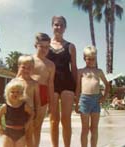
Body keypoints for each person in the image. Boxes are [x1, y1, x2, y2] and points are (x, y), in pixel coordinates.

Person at [46, 16, 77, 147]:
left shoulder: (71, 46)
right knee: (53, 120)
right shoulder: (45, 46)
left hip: (67, 84)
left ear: (65, 28)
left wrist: (77, 90)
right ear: (52, 26)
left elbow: (74, 68)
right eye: (56, 25)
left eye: (61, 25)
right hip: (52, 84)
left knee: (66, 120)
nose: (58, 27)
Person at [75, 46, 110, 147]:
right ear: (84, 58)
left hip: (96, 100)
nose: (91, 61)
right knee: (85, 128)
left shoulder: (99, 71)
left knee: (94, 128)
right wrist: (76, 103)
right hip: (84, 100)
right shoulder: (80, 71)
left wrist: (104, 97)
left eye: (93, 59)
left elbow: (107, 85)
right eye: (88, 59)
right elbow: (77, 88)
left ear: (96, 58)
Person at [31, 32, 55, 147]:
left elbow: (50, 84)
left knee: (37, 126)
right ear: (36, 45)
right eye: (41, 46)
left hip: (43, 94)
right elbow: (19, 77)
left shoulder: (50, 65)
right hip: (29, 94)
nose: (44, 49)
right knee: (26, 125)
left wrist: (51, 104)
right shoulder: (29, 60)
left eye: (47, 47)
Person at [0, 80, 33, 147]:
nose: (15, 94)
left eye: (17, 92)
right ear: (8, 93)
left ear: (21, 93)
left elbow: (32, 114)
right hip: (8, 133)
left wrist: (28, 123)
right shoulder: (5, 106)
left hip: (21, 133)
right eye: (12, 92)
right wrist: (0, 127)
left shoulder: (24, 106)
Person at [14, 55, 40, 147]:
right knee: (17, 137)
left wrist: (37, 116)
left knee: (29, 137)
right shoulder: (15, 82)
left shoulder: (34, 83)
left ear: (33, 69)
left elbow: (37, 101)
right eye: (23, 67)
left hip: (30, 114)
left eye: (29, 68)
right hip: (16, 114)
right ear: (19, 67)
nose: (26, 70)